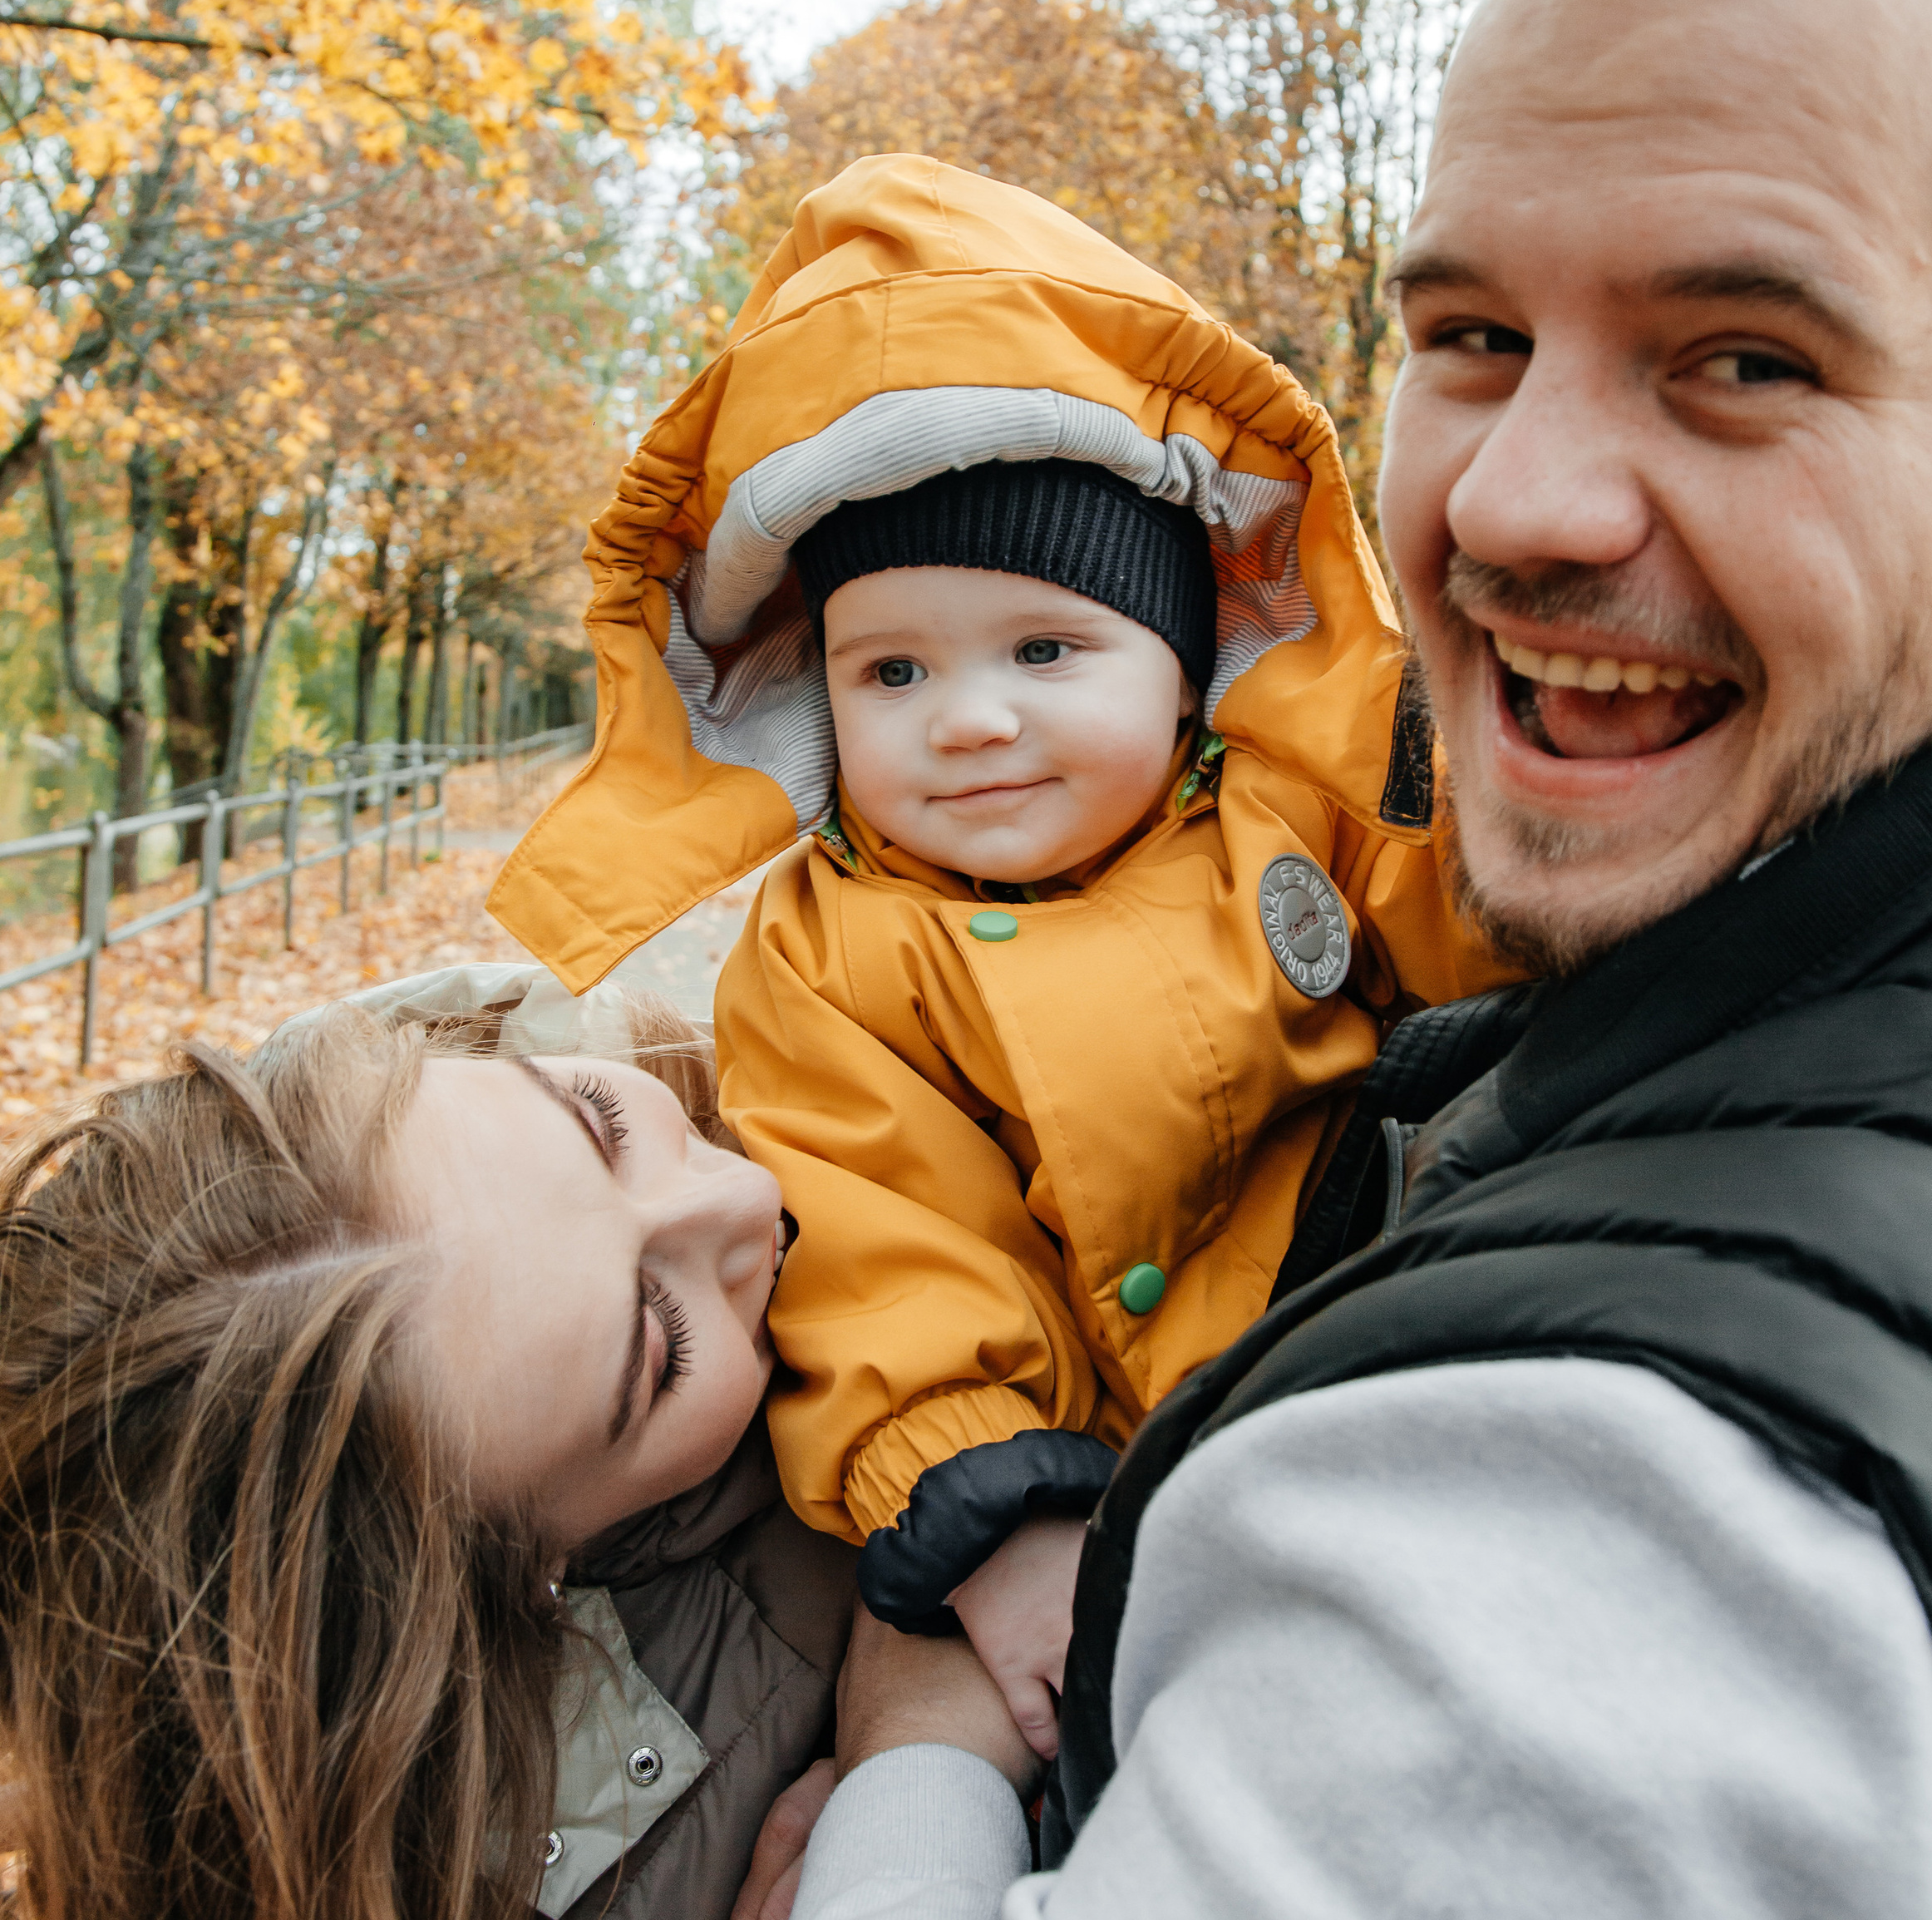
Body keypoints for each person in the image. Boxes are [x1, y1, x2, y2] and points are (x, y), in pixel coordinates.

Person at [664, 0, 1932, 1920]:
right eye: (1469, 336)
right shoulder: (1868, 942)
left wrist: (905, 1809)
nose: (1520, 500)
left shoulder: (1663, 1558)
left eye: (1749, 354)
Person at [490, 160, 1509, 1754]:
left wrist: (1460, 786)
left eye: (1047, 650)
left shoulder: (1295, 816)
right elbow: (875, 1243)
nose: (970, 718)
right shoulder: (829, 955)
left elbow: (1483, 932)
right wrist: (992, 1508)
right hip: (1099, 1470)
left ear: (1181, 666)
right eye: (890, 669)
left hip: (1381, 1340)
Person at [0, 976, 856, 1920]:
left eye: (597, 1126)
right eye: (657, 1347)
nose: (744, 1196)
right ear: (520, 1584)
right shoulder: (449, 1911)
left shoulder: (827, 1002)